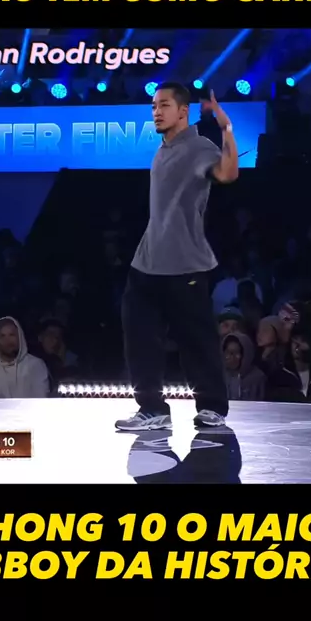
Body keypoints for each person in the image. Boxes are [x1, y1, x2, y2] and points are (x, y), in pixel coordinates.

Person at [115, 82, 238, 432]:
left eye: (164, 105)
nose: (156, 112)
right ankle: (151, 408)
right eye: (154, 106)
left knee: (195, 339)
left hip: (185, 264)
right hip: (146, 262)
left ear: (183, 111)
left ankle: (212, 407)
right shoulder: (163, 149)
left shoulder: (199, 147)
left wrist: (227, 129)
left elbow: (228, 173)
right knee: (140, 338)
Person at [0, 316, 50, 398]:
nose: (7, 341)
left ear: (20, 337)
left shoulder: (35, 365)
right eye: (2, 336)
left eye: (12, 335)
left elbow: (41, 398)